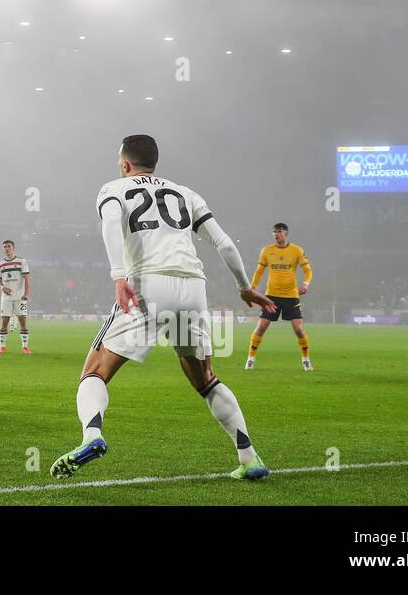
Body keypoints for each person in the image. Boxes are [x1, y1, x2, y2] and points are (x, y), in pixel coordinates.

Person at [51, 134, 276, 481]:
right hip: (193, 286)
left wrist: (117, 275)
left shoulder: (113, 188)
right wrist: (245, 288)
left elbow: (111, 224)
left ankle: (92, 436)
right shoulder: (185, 192)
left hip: (147, 284)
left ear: (125, 164)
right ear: (154, 162)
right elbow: (224, 243)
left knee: (94, 372)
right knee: (206, 380)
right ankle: (250, 457)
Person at [245, 224, 313, 370]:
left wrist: (306, 284)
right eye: (275, 232)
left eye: (279, 232)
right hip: (272, 296)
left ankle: (306, 360)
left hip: (291, 295)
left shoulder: (296, 250)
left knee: (298, 329)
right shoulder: (267, 250)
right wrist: (252, 289)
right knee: (261, 326)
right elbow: (259, 271)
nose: (276, 234)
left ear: (286, 233)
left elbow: (307, 270)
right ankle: (250, 359)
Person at [0, 240, 30, 354]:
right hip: (6, 297)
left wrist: (26, 294)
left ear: (13, 248)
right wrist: (2, 287)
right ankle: (2, 347)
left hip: (20, 296)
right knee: (4, 321)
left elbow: (26, 279)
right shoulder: (0, 263)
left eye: (9, 246)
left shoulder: (21, 261)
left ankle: (25, 347)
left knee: (23, 321)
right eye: (5, 247)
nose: (7, 248)